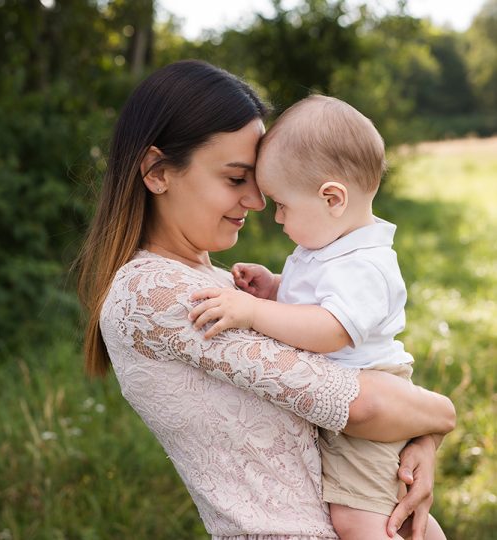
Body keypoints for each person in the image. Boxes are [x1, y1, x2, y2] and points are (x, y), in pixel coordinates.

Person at [76, 60, 455, 540]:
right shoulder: (155, 294)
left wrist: (420, 441)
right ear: (156, 172)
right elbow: (361, 406)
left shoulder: (224, 287)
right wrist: (441, 415)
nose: (257, 202)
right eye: (236, 179)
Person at [189, 95, 447, 540]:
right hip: (346, 395)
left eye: (282, 204)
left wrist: (254, 310)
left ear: (332, 198)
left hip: (370, 395)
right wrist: (274, 287)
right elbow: (313, 303)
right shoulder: (327, 247)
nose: (276, 216)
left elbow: (329, 330)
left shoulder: (364, 264)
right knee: (381, 505)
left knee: (364, 518)